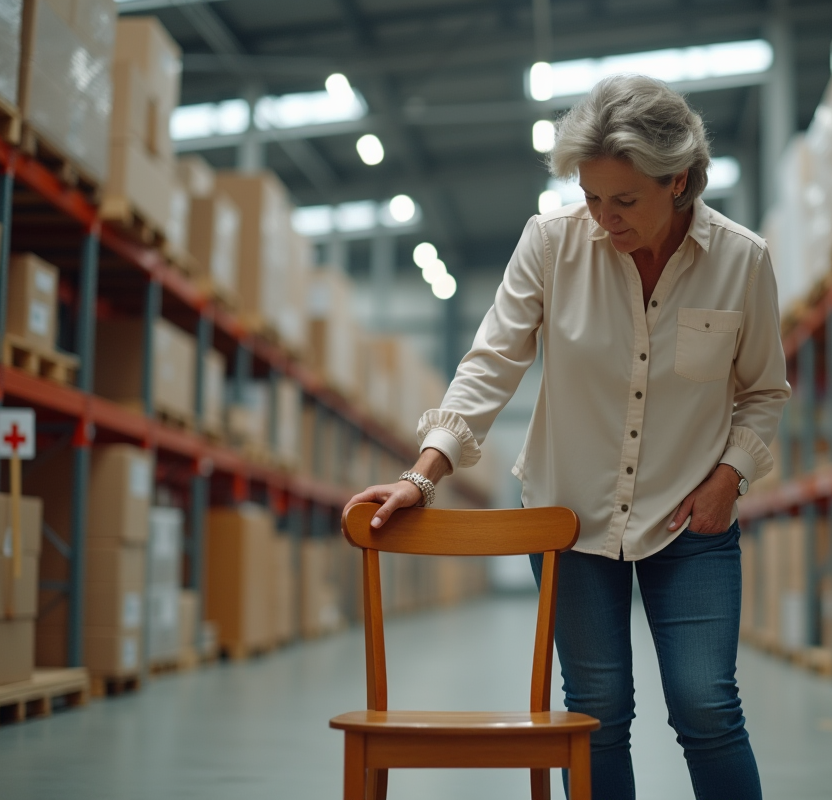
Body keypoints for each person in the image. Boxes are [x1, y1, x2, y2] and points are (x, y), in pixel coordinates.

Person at [345, 74, 790, 800]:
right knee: (597, 713)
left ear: (677, 181)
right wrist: (423, 474)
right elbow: (490, 363)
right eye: (590, 197)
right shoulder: (551, 245)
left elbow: (764, 392)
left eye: (624, 201)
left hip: (693, 520)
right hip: (569, 518)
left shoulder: (742, 261)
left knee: (707, 705)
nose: (603, 217)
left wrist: (729, 477)